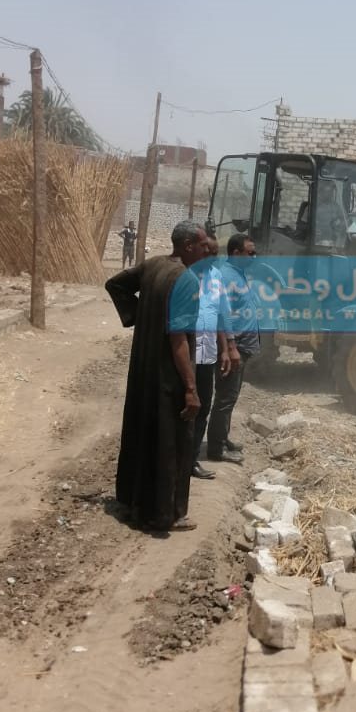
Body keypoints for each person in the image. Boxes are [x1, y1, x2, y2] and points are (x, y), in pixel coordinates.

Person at [104, 220, 209, 533]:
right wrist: (190, 388)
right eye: (202, 245)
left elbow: (115, 285)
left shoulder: (153, 265)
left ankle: (132, 501)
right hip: (168, 376)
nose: (206, 250)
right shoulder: (185, 280)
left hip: (144, 371)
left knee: (141, 434)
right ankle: (166, 514)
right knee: (171, 443)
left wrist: (141, 315)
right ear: (188, 246)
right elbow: (179, 340)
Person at [204, 234, 259, 464]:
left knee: (231, 396)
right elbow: (221, 315)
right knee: (225, 398)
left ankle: (222, 438)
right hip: (233, 346)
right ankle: (216, 449)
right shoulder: (226, 276)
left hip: (242, 345)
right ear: (236, 253)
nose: (254, 257)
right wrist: (229, 347)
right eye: (250, 253)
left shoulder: (239, 273)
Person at [191, 236, 236, 477]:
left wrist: (226, 348)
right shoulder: (184, 275)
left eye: (216, 252)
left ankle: (191, 460)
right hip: (184, 353)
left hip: (207, 353)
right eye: (208, 251)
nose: (212, 256)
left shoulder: (216, 276)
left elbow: (221, 314)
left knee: (203, 405)